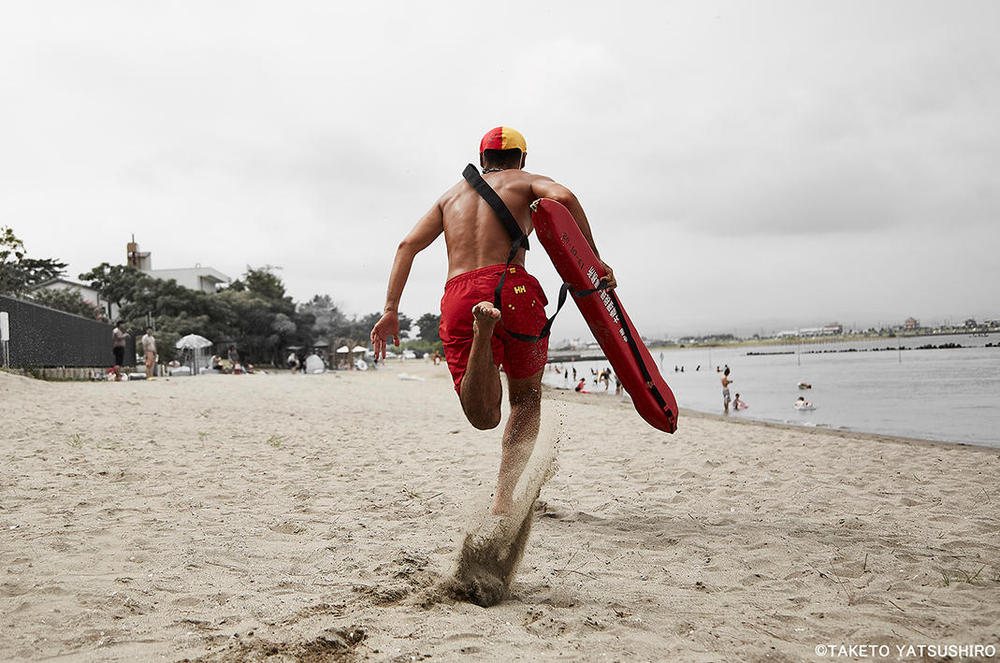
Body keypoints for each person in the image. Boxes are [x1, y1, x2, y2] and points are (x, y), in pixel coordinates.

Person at [370, 126, 615, 515]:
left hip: (460, 295)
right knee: (526, 399)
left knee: (483, 416)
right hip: (513, 287)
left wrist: (390, 310)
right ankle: (503, 500)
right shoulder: (525, 180)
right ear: (521, 158)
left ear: (482, 159)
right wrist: (594, 260)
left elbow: (407, 246)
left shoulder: (449, 197)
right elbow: (564, 197)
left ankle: (483, 336)